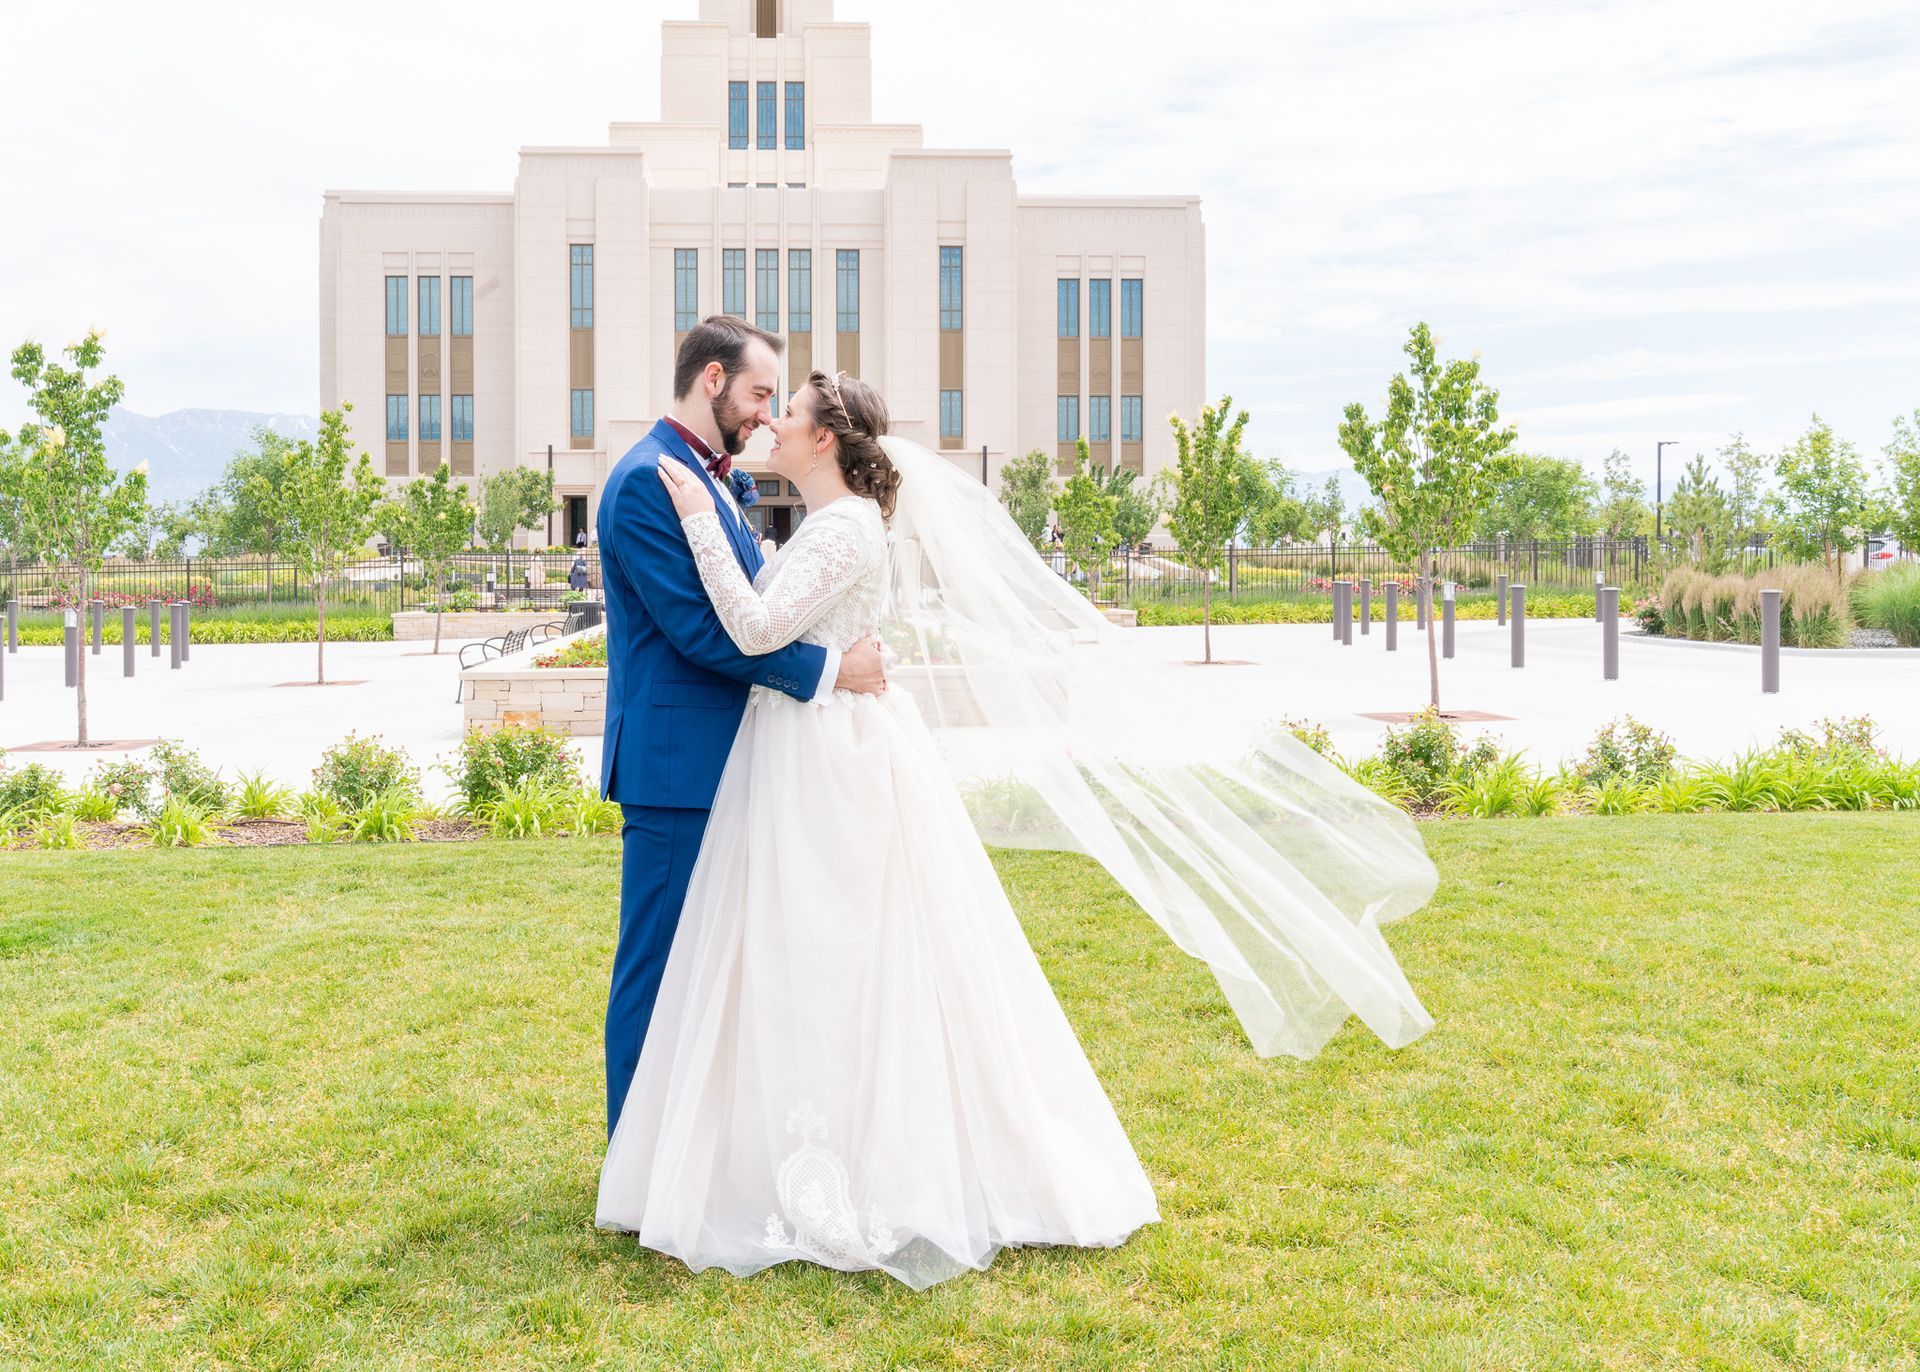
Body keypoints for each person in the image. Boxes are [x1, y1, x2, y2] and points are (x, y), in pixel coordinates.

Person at [596, 367, 1439, 1288]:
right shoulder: (829, 523)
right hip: (811, 746)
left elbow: (754, 627)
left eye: (786, 413)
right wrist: (820, 642)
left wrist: (699, 524)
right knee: (812, 954)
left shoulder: (839, 527)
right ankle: (775, 1144)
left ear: (825, 438)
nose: (772, 427)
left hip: (828, 758)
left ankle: (845, 1157)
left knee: (841, 953)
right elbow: (780, 613)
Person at [594, 317, 887, 1141]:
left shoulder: (707, 475)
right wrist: (833, 673)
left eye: (777, 402)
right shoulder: (650, 480)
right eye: (760, 394)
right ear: (713, 381)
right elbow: (701, 630)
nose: (766, 415)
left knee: (720, 971)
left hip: (734, 759)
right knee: (657, 970)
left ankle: (698, 1150)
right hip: (677, 767)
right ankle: (637, 1155)